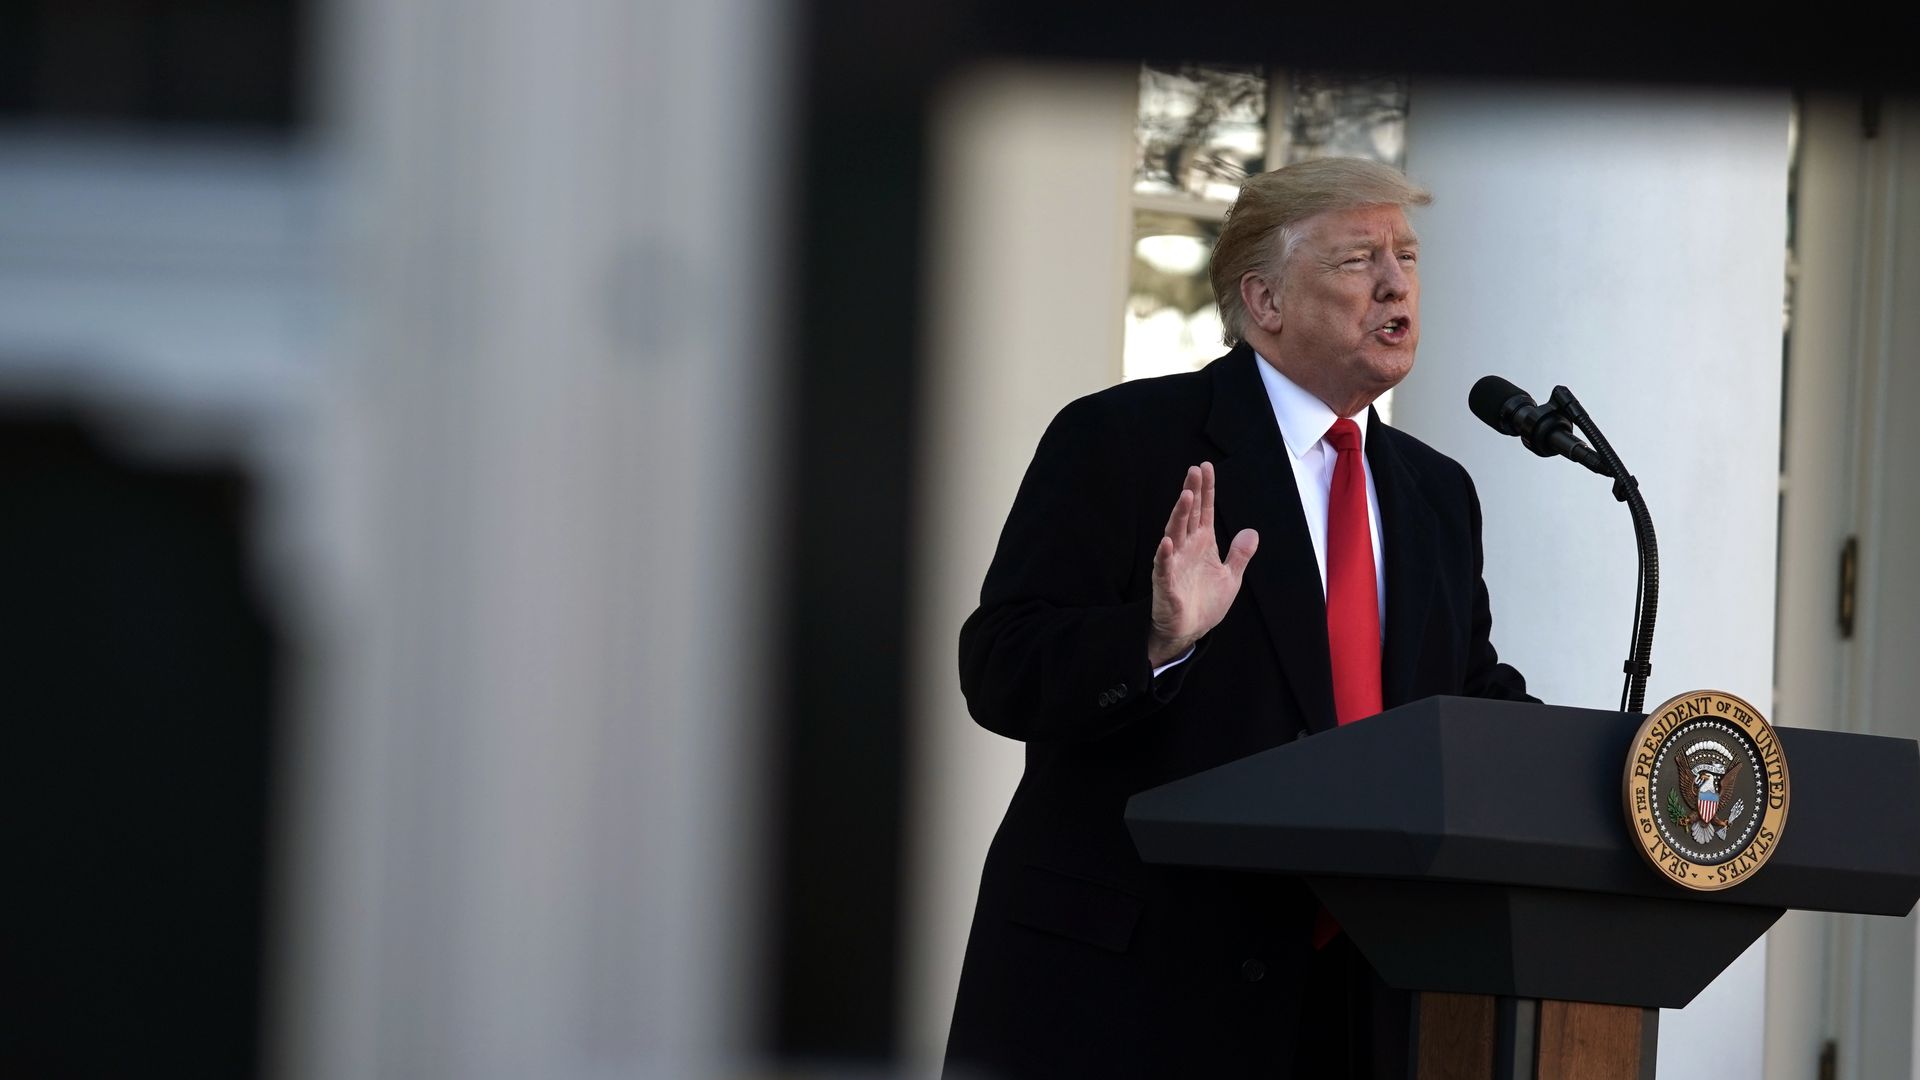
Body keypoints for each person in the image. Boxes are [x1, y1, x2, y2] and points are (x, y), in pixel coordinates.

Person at [942, 157, 1536, 1079]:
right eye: (1357, 261)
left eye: (1407, 257)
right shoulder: (1125, 441)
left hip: (1362, 1000)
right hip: (1140, 993)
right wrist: (1155, 638)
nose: (1394, 283)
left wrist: (1596, 763)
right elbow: (1001, 665)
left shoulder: (1434, 492)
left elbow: (1459, 692)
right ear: (1264, 301)